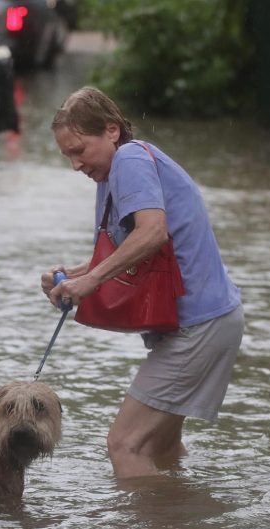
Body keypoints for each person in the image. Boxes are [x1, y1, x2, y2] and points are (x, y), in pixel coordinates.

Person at [43, 86, 244, 480]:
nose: (75, 164)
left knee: (125, 444)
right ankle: (180, 528)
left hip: (198, 325)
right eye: (67, 155)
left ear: (112, 131)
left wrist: (92, 280)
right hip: (211, 321)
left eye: (80, 150)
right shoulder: (117, 171)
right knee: (160, 447)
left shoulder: (130, 159)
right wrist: (72, 275)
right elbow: (130, 250)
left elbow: (152, 234)